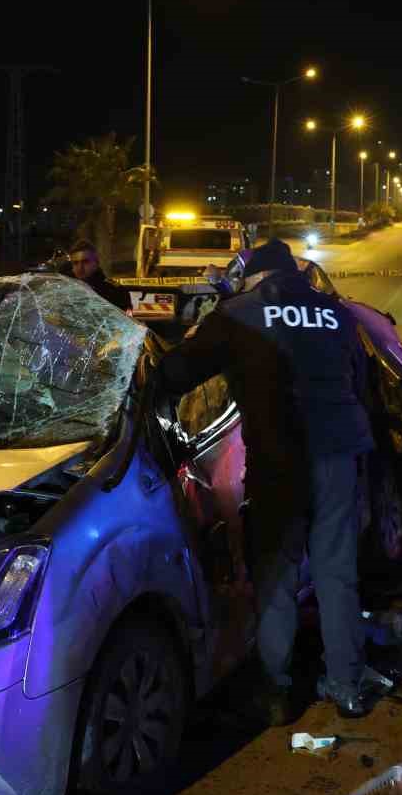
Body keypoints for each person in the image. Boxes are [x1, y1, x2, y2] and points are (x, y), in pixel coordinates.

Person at [156, 238, 377, 724]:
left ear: (255, 277)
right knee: (336, 572)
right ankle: (347, 687)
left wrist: (143, 364)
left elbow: (176, 373)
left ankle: (277, 692)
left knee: (276, 574)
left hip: (279, 461)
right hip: (339, 455)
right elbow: (360, 382)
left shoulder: (239, 313)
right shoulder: (334, 313)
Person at [68, 239, 133, 312]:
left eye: (85, 262)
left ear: (96, 263)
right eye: (75, 263)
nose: (80, 267)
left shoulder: (116, 291)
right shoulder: (67, 291)